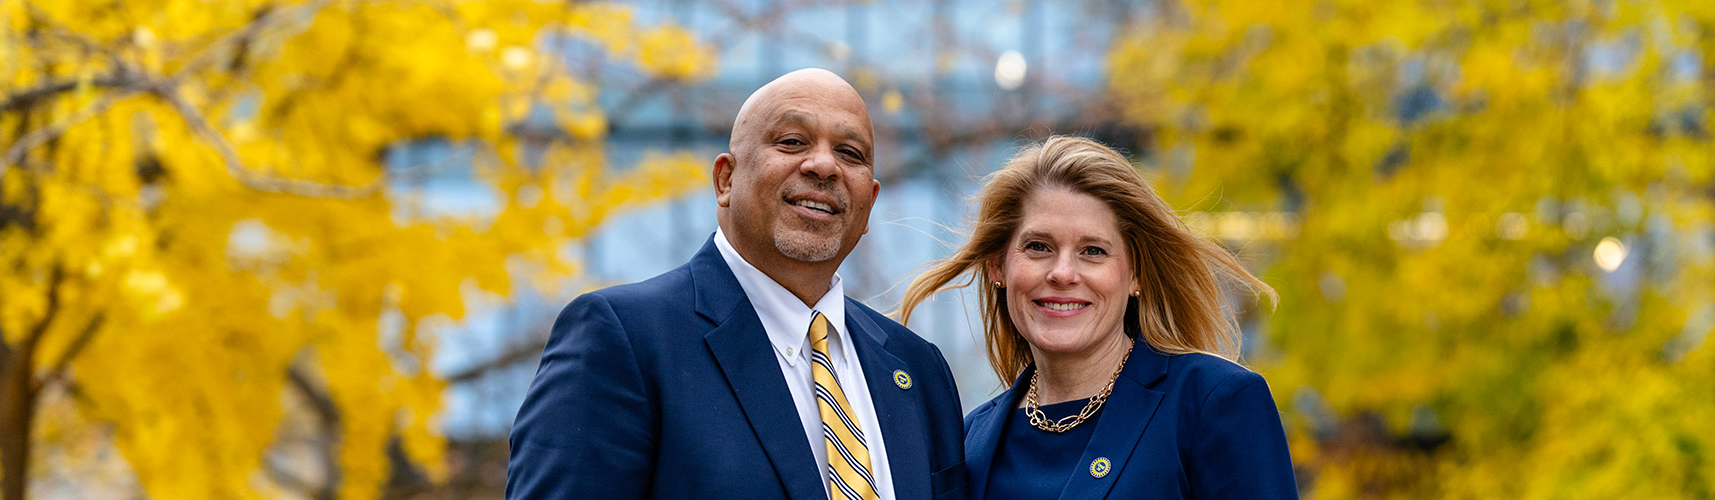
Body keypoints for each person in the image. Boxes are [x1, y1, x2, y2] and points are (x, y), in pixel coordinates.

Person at [508, 68, 968, 500]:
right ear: (725, 179)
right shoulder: (622, 340)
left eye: (850, 154)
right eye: (792, 141)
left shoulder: (919, 370)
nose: (825, 166)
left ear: (868, 203)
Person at [898, 136, 1296, 499]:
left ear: (1135, 274)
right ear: (997, 267)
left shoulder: (1214, 402)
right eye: (1038, 247)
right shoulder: (969, 441)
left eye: (1093, 251)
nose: (1063, 273)